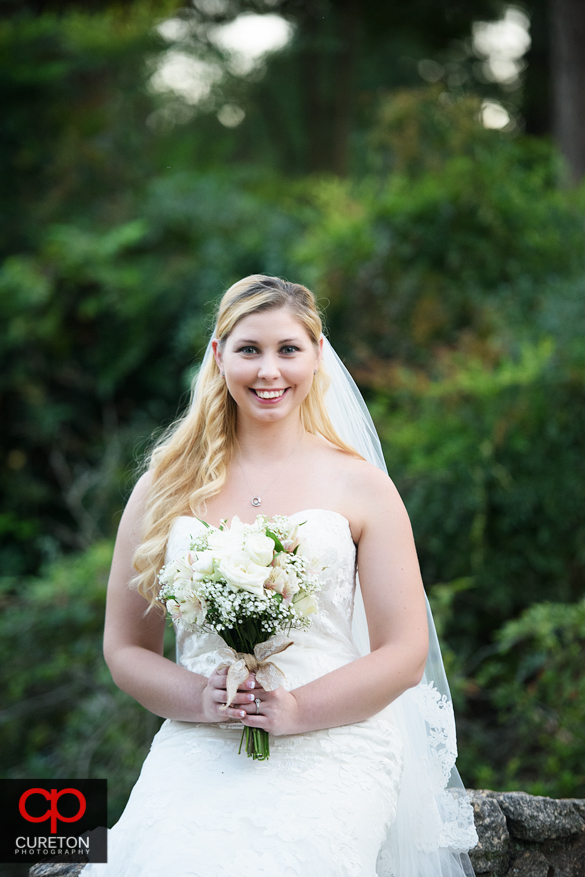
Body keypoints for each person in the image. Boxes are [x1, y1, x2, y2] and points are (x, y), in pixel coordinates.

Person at [82, 275, 477, 877]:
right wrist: (199, 699)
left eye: (288, 349)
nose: (270, 371)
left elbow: (404, 651)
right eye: (249, 350)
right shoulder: (163, 488)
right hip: (201, 741)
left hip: (335, 736)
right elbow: (125, 648)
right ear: (219, 357)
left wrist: (297, 711)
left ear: (318, 355)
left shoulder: (362, 486)